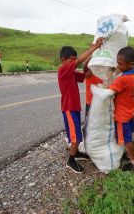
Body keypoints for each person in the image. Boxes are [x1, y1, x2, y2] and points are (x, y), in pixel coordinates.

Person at [58, 38, 103, 174]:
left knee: (77, 134)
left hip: (75, 108)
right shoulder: (63, 70)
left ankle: (76, 153)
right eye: (71, 60)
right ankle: (70, 161)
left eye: (74, 60)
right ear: (63, 60)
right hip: (69, 108)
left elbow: (86, 75)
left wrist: (93, 59)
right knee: (76, 137)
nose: (73, 63)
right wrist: (94, 47)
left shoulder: (70, 72)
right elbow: (78, 62)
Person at [108, 46, 134, 171]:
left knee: (126, 140)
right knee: (128, 137)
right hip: (130, 112)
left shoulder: (122, 79)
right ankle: (128, 155)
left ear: (130, 64)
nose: (118, 66)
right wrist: (118, 68)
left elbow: (109, 91)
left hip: (121, 116)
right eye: (117, 63)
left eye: (120, 64)